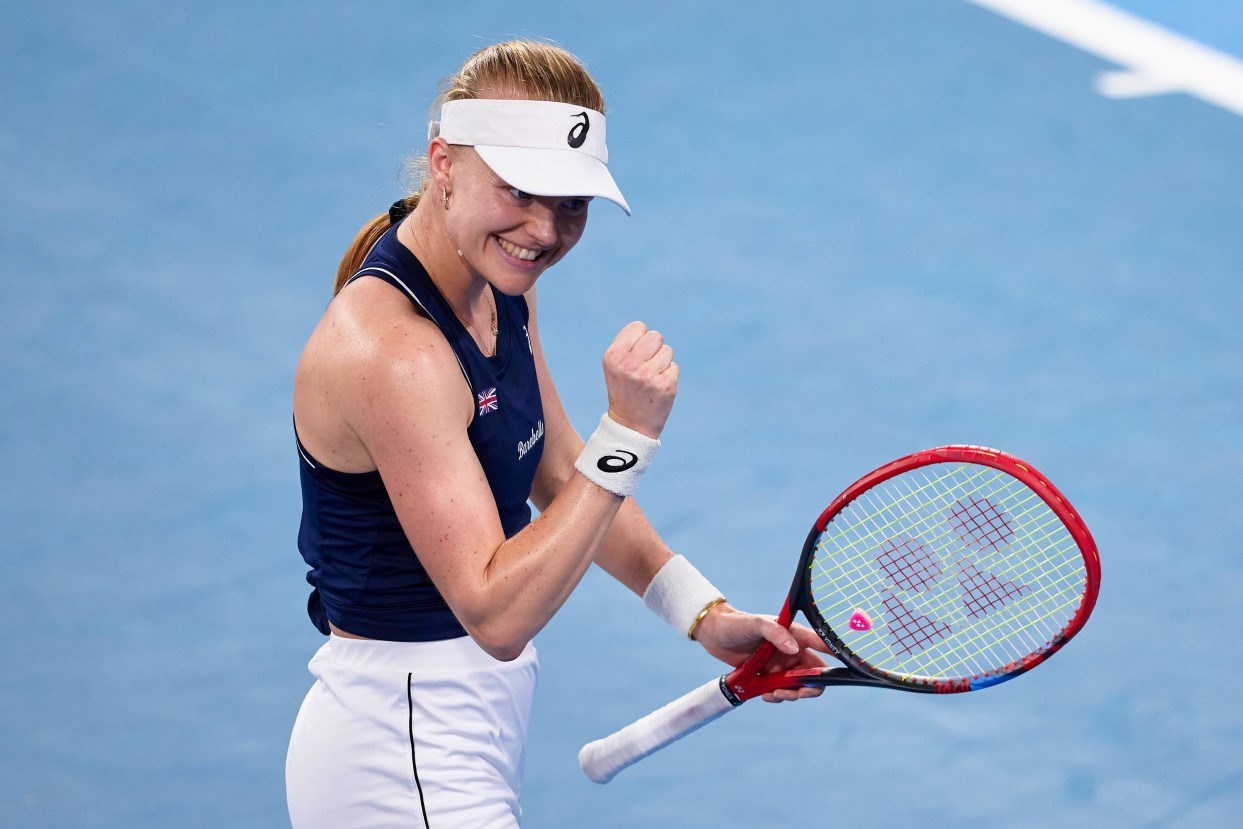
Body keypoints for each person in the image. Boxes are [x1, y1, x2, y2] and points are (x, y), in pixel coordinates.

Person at [286, 40, 828, 828]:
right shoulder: (395, 354)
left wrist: (702, 612)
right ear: (443, 164)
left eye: (572, 203)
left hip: (447, 732)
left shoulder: (494, 283)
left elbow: (552, 464)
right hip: (402, 756)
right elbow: (496, 613)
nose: (543, 229)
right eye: (519, 190)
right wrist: (628, 435)